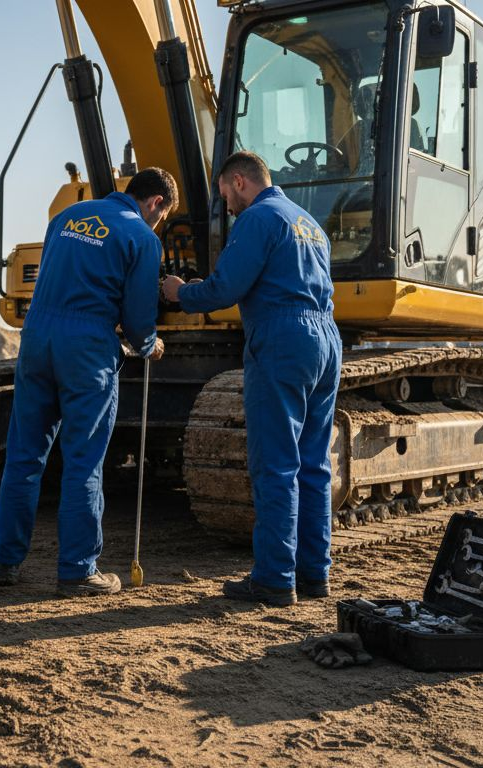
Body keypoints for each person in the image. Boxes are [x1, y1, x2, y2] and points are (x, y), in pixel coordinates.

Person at [162, 151, 341, 607]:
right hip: (325, 337)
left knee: (276, 463)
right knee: (314, 465)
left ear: (239, 182)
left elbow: (225, 289)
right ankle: (313, 574)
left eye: (225, 195)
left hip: (282, 336)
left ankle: (275, 580)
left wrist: (182, 292)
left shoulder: (259, 219)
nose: (227, 206)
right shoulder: (309, 224)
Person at [0, 168, 176, 597]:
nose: (158, 224)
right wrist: (149, 345)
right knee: (83, 460)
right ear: (156, 204)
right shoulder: (143, 239)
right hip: (87, 346)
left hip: (37, 338)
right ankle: (77, 569)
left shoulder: (68, 217)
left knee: (23, 456)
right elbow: (135, 320)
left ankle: (6, 561)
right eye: (161, 216)